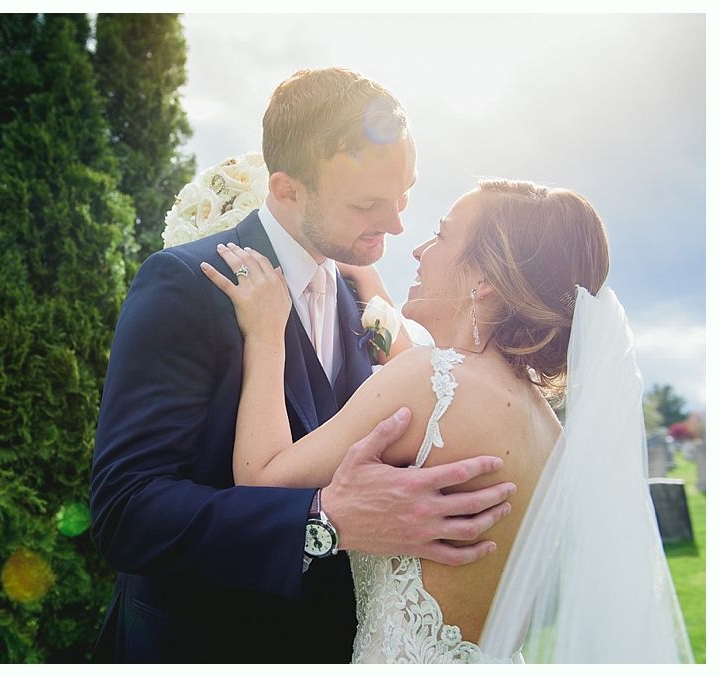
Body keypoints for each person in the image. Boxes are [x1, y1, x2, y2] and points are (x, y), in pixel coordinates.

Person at [89, 67, 516, 663]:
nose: (396, 224)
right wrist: (322, 519)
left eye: (405, 194)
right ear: (286, 189)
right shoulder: (186, 284)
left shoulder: (366, 297)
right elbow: (126, 512)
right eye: (368, 204)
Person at [202, 179, 692, 663]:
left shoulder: (425, 381)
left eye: (441, 235)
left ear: (486, 282)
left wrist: (266, 334)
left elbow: (260, 475)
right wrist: (375, 295)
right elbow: (435, 384)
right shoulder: (545, 427)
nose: (417, 250)